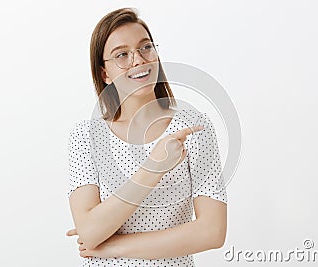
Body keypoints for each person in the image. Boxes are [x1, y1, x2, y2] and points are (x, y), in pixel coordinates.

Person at [66, 7, 227, 267]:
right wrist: (155, 167)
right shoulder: (86, 137)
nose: (139, 60)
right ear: (104, 73)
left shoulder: (194, 127)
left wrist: (113, 246)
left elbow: (212, 231)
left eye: (145, 48)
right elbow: (89, 232)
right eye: (122, 55)